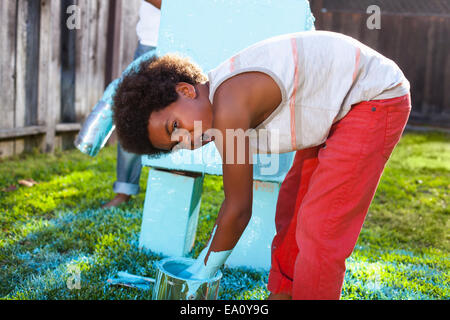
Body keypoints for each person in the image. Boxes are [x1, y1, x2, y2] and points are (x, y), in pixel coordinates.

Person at [112, 30, 411, 300]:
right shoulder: (218, 111)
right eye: (175, 143)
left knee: (321, 224)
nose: (185, 141)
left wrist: (200, 274)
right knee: (291, 204)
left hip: (373, 97)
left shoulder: (228, 106)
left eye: (174, 126)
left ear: (186, 90)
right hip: (335, 106)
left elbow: (239, 208)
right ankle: (285, 293)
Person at [102, 0, 162, 208]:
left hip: (186, 39)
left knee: (182, 111)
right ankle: (124, 189)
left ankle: (174, 185)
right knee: (132, 112)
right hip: (151, 42)